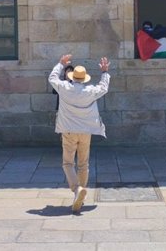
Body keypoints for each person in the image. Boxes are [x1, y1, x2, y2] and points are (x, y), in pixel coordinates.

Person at [49, 54, 110, 213]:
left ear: (72, 77)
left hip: (68, 131)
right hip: (85, 131)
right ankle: (80, 195)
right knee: (83, 164)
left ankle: (77, 190)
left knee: (68, 163)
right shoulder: (89, 91)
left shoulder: (64, 87)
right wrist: (104, 72)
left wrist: (61, 63)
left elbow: (52, 78)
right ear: (84, 79)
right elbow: (104, 87)